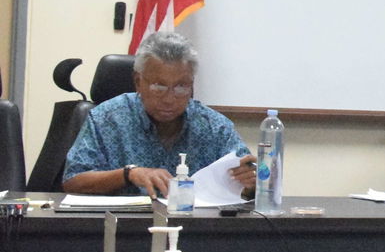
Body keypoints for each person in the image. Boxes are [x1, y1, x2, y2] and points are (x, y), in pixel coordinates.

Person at [63, 30, 254, 197]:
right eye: (159, 86)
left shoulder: (214, 127)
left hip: (193, 232)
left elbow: (251, 177)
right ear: (138, 81)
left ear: (192, 86)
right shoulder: (106, 118)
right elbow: (72, 181)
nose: (170, 98)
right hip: (122, 231)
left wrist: (250, 183)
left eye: (181, 87)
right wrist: (129, 174)